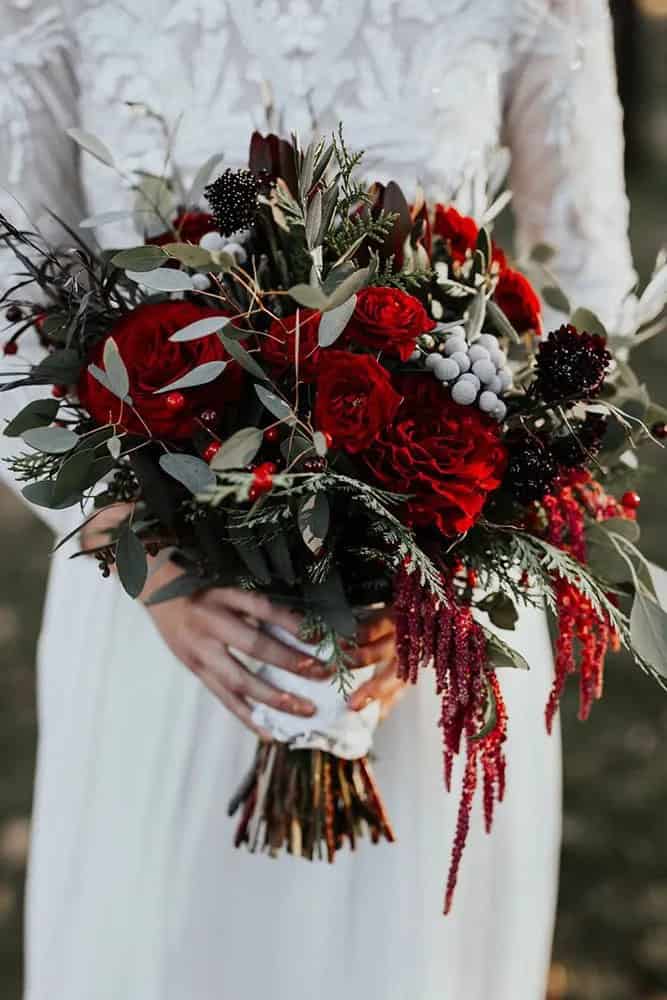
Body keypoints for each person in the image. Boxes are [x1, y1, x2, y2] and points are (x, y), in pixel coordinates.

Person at [0, 3, 638, 998]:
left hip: (424, 621)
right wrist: (143, 554)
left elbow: (582, 287)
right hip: (161, 621)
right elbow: (9, 307)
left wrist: (454, 541)